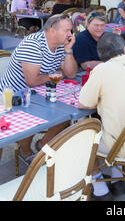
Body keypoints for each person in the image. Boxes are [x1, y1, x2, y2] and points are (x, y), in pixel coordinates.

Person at [78, 33, 125, 201]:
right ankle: (118, 179)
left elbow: (84, 103)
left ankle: (99, 189)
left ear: (101, 55)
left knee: (81, 141)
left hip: (122, 145)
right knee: (119, 124)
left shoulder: (102, 70)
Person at [0, 14, 77, 163]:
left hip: (40, 93)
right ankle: (26, 150)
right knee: (32, 118)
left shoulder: (61, 45)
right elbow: (32, 81)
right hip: (12, 96)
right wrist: (56, 74)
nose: (70, 34)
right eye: (67, 30)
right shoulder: (33, 44)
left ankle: (42, 145)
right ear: (52, 31)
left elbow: (71, 73)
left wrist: (68, 50)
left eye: (71, 30)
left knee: (67, 114)